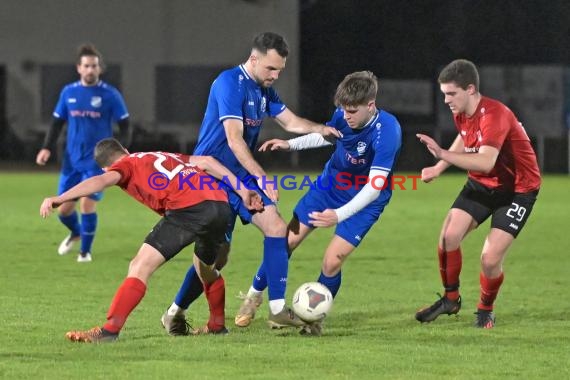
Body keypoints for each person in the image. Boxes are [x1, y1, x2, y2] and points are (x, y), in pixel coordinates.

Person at [160, 31, 340, 335]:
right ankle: (175, 311)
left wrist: (323, 129)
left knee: (276, 228)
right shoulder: (229, 83)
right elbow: (233, 139)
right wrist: (261, 176)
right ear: (253, 59)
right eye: (271, 68)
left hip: (240, 175)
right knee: (215, 257)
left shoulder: (264, 90)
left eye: (280, 70)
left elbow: (291, 122)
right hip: (211, 177)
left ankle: (276, 309)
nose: (275, 75)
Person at [39, 138, 262, 342]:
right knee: (205, 269)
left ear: (106, 166)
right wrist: (242, 191)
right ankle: (216, 325)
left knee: (139, 266)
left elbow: (100, 182)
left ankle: (109, 331)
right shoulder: (158, 155)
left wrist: (60, 198)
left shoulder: (123, 166)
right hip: (220, 205)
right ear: (125, 149)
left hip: (189, 209)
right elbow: (207, 161)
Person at [234, 70, 401, 335]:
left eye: (353, 112)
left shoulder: (388, 131)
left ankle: (314, 320)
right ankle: (253, 297)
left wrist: (339, 215)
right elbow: (326, 136)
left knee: (332, 262)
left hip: (366, 201)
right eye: (344, 111)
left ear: (371, 106)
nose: (346, 117)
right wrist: (290, 145)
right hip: (329, 188)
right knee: (285, 241)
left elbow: (373, 188)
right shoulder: (344, 116)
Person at [414, 59, 541, 329]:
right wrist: (439, 167)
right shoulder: (462, 109)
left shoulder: (495, 115)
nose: (446, 100)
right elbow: (464, 134)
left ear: (470, 89)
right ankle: (450, 299)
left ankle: (485, 308)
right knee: (448, 236)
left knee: (490, 258)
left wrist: (442, 154)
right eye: (444, 94)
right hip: (483, 183)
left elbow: (486, 161)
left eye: (451, 93)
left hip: (518, 190)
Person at [36, 44, 130, 263]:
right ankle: (76, 233)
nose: (90, 70)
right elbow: (57, 123)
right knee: (63, 211)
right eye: (86, 66)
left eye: (94, 66)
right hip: (72, 161)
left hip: (97, 162)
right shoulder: (68, 92)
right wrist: (46, 147)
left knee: (88, 203)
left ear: (100, 69)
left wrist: (121, 152)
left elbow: (126, 125)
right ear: (79, 68)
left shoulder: (110, 94)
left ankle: (85, 252)